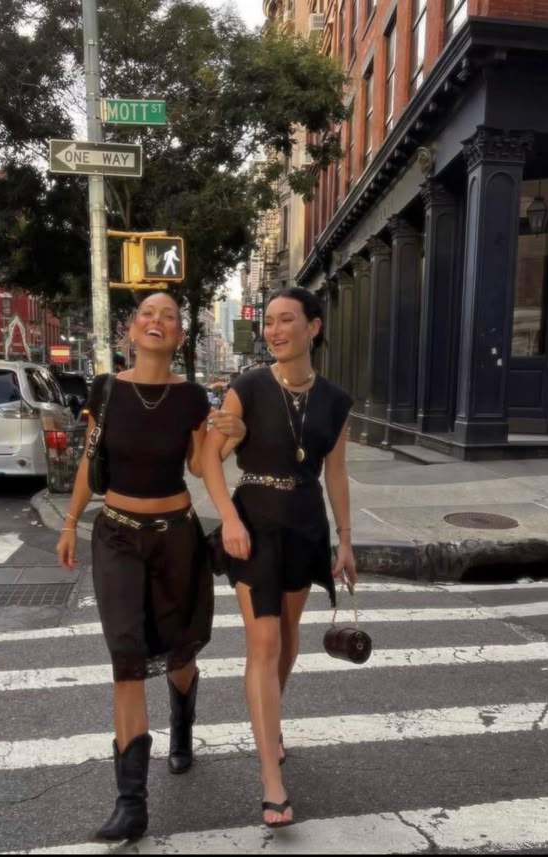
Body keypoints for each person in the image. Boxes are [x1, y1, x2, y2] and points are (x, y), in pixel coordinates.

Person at [55, 291, 246, 843]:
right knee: (127, 656)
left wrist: (227, 443)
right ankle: (130, 802)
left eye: (169, 317)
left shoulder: (190, 397)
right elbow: (93, 459)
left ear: (180, 337)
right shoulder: (107, 390)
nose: (157, 321)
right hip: (116, 536)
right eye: (147, 315)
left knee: (179, 652)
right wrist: (70, 522)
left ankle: (182, 722)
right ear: (130, 332)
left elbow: (199, 463)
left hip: (175, 539)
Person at [201, 286, 356, 829]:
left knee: (288, 637)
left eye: (286, 320)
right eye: (269, 322)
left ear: (313, 327)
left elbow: (334, 471)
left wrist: (345, 539)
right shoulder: (245, 387)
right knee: (263, 641)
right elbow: (205, 462)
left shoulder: (334, 400)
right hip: (256, 525)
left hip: (306, 523)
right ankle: (272, 781)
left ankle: (271, 722)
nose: (274, 330)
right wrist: (231, 519)